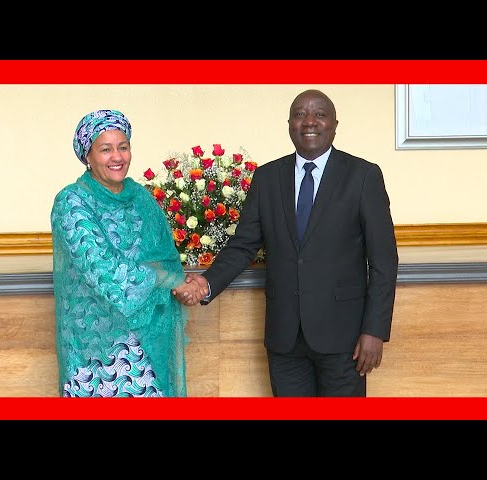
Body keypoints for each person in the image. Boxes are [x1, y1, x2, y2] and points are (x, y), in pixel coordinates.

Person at [176, 89, 399, 397]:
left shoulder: (363, 176)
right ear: (289, 124)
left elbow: (384, 262)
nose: (309, 121)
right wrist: (206, 283)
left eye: (319, 114)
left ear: (335, 124)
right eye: (299, 114)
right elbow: (243, 245)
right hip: (285, 339)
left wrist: (374, 330)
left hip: (345, 339)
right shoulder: (268, 177)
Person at [51, 109, 201, 397]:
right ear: (88, 156)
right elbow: (104, 268)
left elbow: (163, 257)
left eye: (123, 147)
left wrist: (181, 282)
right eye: (105, 149)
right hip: (98, 350)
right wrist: (173, 282)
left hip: (148, 340)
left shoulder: (140, 197)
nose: (117, 157)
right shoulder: (71, 201)